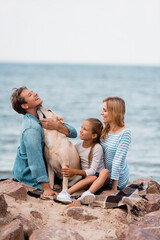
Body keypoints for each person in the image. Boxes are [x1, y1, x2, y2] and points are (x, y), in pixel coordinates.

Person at [10, 86, 77, 196]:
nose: (35, 93)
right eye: (30, 95)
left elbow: (74, 133)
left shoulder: (41, 114)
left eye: (32, 92)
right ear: (25, 106)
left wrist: (56, 126)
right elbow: (35, 161)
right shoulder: (31, 128)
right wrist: (46, 189)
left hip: (48, 171)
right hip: (29, 176)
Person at [77, 96, 131, 204]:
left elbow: (117, 161)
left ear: (114, 113)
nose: (101, 113)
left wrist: (113, 189)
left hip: (117, 179)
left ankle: (85, 195)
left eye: (104, 110)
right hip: (103, 175)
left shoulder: (125, 133)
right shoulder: (105, 128)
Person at [56, 118, 106, 204]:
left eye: (85, 129)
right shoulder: (78, 146)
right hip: (85, 178)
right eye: (81, 127)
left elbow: (92, 171)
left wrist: (74, 172)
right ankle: (66, 193)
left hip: (99, 179)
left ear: (94, 135)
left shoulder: (97, 148)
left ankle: (87, 193)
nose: (81, 130)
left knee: (105, 172)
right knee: (91, 177)